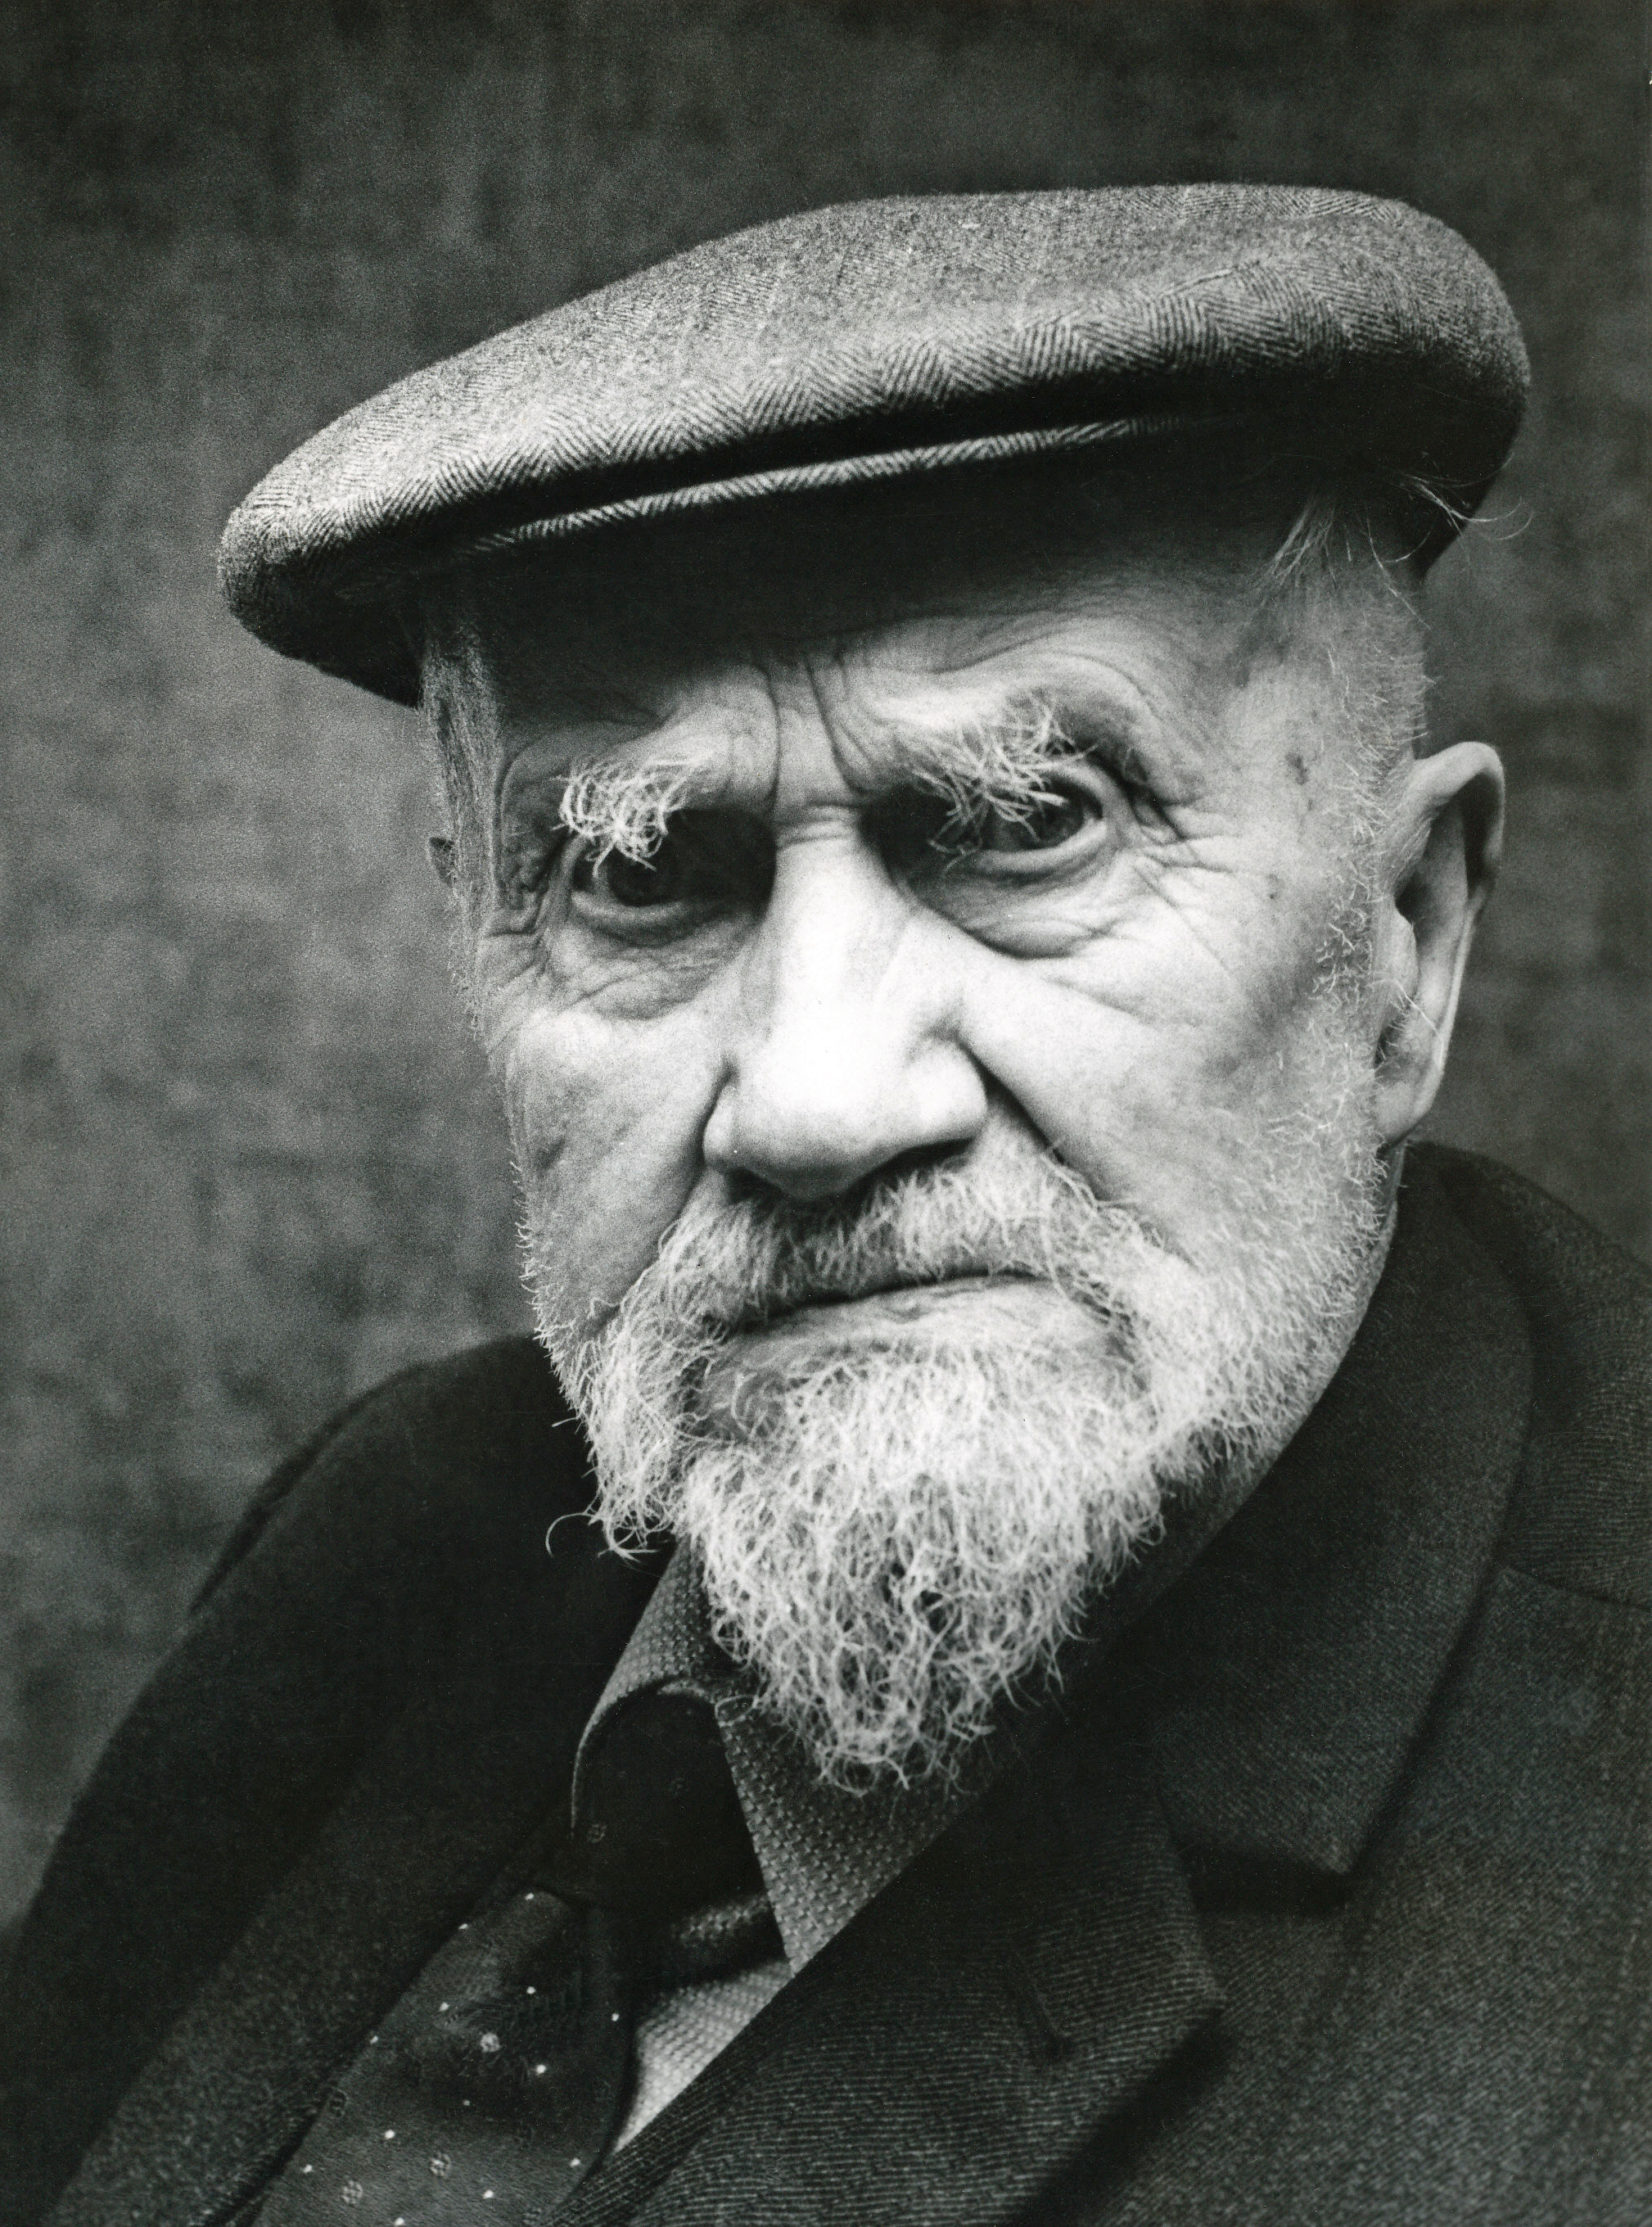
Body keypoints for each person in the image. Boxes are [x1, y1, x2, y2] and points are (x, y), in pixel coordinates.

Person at [2, 187, 1646, 2227]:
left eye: (1026, 826)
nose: (813, 1097)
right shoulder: (389, 1537)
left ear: (1401, 941)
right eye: (635, 873)